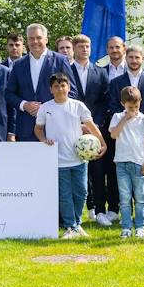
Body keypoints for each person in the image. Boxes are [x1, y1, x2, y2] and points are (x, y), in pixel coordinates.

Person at [36, 71, 101, 239]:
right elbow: (38, 128)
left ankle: (77, 224)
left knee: (81, 192)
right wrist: (44, 140)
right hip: (58, 160)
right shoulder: (46, 108)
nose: (60, 89)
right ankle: (70, 226)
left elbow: (91, 125)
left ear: (69, 87)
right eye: (56, 86)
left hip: (79, 158)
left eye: (63, 85)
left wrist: (102, 141)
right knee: (65, 195)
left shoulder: (78, 106)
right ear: (51, 89)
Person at [105, 44, 144, 225]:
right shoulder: (116, 82)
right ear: (126, 59)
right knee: (122, 178)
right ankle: (123, 213)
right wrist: (126, 118)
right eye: (131, 58)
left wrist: (140, 118)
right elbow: (113, 105)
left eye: (137, 58)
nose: (134, 61)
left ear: (142, 59)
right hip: (122, 134)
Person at [5, 23, 68, 142]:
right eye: (31, 38)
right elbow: (9, 94)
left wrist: (47, 107)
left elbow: (72, 91)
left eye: (38, 38)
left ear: (46, 39)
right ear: (27, 41)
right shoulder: (19, 64)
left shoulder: (60, 60)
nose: (35, 41)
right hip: (26, 129)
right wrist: (24, 105)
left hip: (54, 126)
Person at [110, 84, 144, 238]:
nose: (133, 110)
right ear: (123, 104)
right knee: (124, 198)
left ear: (140, 102)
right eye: (130, 107)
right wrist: (125, 118)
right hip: (121, 163)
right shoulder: (117, 117)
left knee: (140, 198)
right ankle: (126, 227)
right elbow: (114, 135)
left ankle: (140, 226)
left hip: (139, 163)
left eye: (136, 106)